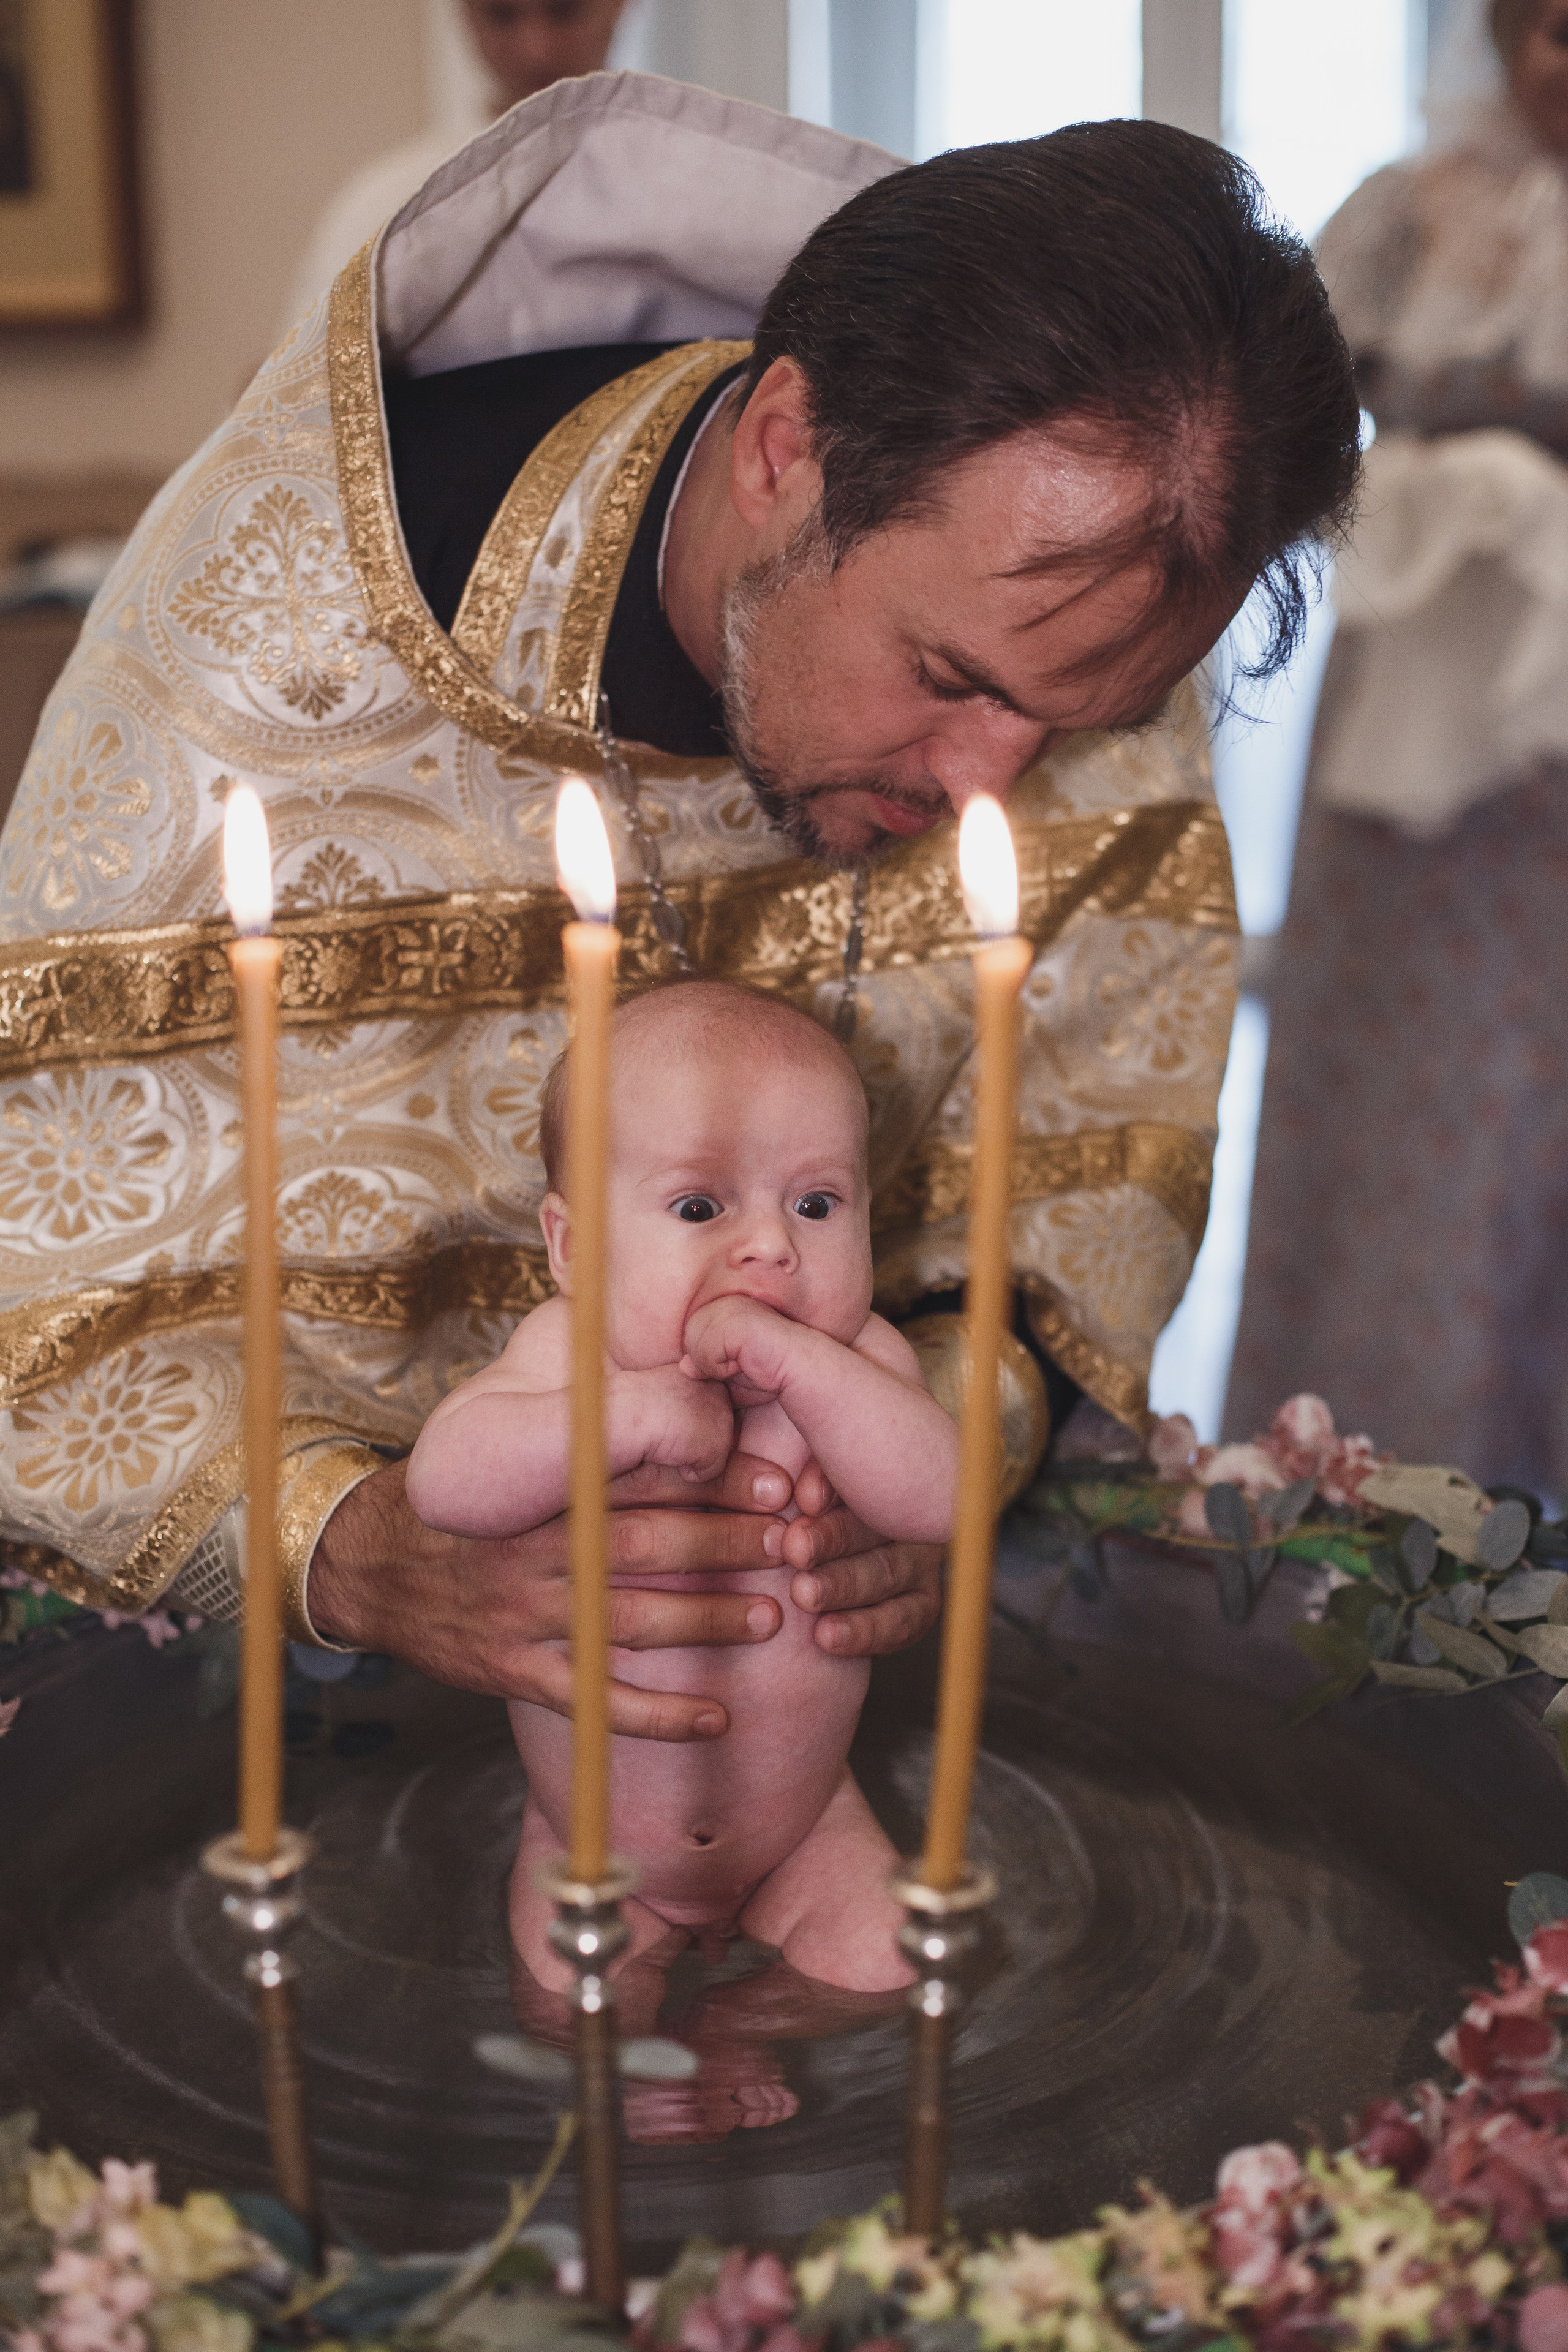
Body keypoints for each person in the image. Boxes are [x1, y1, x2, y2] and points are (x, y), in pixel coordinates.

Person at [0, 77, 1359, 1751]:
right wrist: (343, 1552)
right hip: (306, 1723)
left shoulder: (1075, 623)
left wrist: (924, 1447)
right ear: (787, 450)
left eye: (1069, 723)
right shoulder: (265, 654)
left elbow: (1087, 1179)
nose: (998, 790)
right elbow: (46, 1305)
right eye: (945, 681)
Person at [409, 981, 957, 1989]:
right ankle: (650, 2096)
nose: (771, 1245)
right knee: (577, 2007)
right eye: (700, 1206)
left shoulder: (858, 1357)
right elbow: (444, 1485)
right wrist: (616, 1419)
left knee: (896, 1964)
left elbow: (941, 1503)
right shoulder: (566, 1354)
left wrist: (808, 1374)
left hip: (807, 1826)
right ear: (573, 1249)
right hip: (593, 1854)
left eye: (818, 1204)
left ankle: (746, 2037)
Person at [1229, 0, 1568, 1488]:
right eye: (1541, 31)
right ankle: (1342, 1543)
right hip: (1392, 769)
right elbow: (1275, 429)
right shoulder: (1404, 214)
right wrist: (1413, 494)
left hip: (1543, 769)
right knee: (1374, 1141)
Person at [281, 0, 628, 326]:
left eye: (564, 10)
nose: (536, 49)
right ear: (464, 11)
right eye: (502, 15)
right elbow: (295, 381)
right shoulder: (385, 203)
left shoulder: (673, 180)